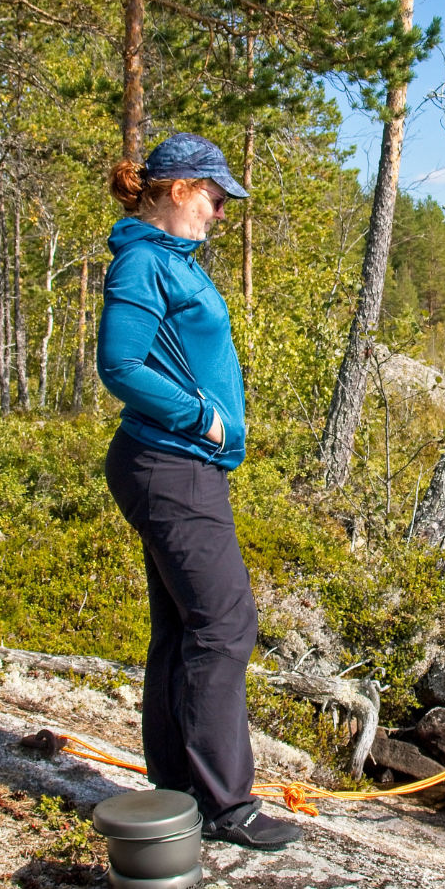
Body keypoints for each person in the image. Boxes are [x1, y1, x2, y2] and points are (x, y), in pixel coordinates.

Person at [96, 131, 303, 850]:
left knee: (185, 627)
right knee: (224, 624)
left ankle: (177, 790)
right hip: (171, 462)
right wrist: (205, 418)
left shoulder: (169, 262)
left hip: (178, 463)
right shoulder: (144, 264)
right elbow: (119, 364)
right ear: (179, 190)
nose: (220, 213)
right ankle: (224, 805)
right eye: (214, 199)